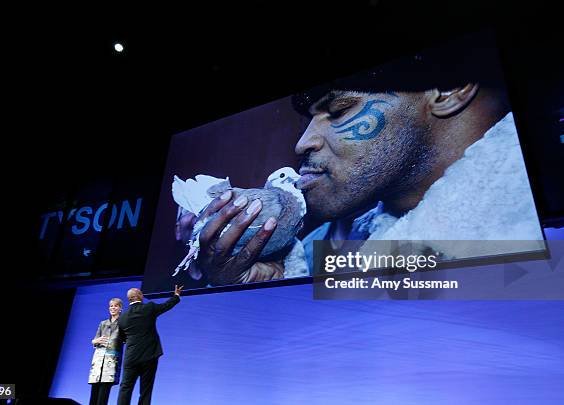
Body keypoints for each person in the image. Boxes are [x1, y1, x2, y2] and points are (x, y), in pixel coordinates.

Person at [188, 32, 543, 283]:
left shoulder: (533, 223)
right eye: (309, 120)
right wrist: (270, 289)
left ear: (449, 89)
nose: (303, 143)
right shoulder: (327, 245)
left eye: (340, 109)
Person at [116, 286, 183, 405]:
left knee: (125, 387)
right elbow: (166, 306)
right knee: (146, 389)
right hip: (149, 355)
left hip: (131, 357)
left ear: (129, 299)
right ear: (140, 296)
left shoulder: (122, 318)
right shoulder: (149, 308)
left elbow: (121, 338)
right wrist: (176, 295)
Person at [88, 298, 124, 405]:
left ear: (120, 309)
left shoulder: (122, 323)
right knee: (94, 393)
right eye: (111, 306)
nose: (113, 308)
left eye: (115, 306)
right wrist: (95, 341)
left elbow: (126, 339)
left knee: (103, 394)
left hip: (111, 362)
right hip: (98, 361)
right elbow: (94, 340)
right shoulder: (103, 323)